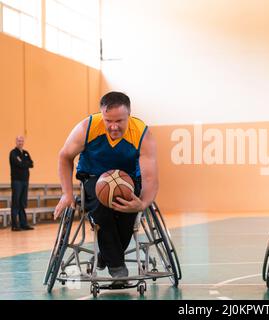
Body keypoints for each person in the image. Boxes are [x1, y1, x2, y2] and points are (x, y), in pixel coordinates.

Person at [53, 91, 159, 283]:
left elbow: (150, 177)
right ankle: (117, 266)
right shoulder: (88, 127)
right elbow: (64, 156)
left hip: (127, 180)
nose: (113, 126)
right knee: (102, 207)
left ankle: (108, 255)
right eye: (108, 120)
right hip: (93, 178)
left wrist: (142, 204)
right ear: (102, 114)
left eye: (119, 120)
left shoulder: (142, 133)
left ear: (129, 115)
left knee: (128, 209)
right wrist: (66, 194)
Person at [9, 136, 35, 231]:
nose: (20, 142)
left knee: (22, 203)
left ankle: (23, 224)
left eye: (22, 141)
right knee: (16, 202)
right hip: (16, 181)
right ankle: (15, 225)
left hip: (25, 181)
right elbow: (19, 164)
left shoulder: (25, 153)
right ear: (16, 142)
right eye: (19, 141)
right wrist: (25, 163)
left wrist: (23, 162)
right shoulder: (13, 153)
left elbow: (31, 164)